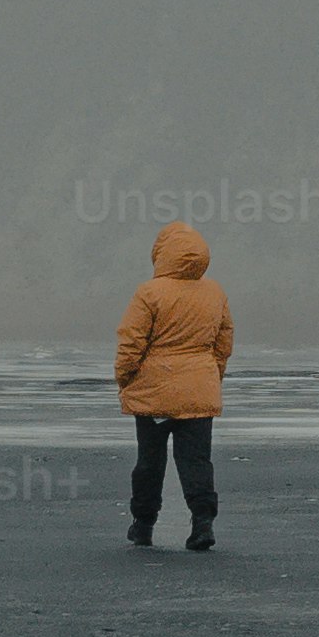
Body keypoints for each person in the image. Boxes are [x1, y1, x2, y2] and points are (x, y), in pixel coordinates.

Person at [114, 219, 230, 549]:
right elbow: (223, 343)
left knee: (150, 462)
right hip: (198, 390)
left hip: (153, 392)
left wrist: (125, 379)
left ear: (161, 254)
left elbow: (131, 342)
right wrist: (211, 376)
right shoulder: (215, 293)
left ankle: (143, 523)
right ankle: (202, 522)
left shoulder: (149, 293)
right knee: (196, 461)